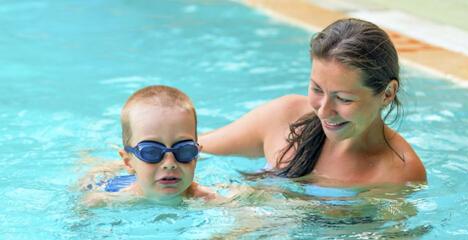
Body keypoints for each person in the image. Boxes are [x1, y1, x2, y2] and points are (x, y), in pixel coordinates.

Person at [200, 18, 426, 186]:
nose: (324, 111)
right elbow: (192, 149)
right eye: (317, 89)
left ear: (387, 93)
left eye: (343, 98)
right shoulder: (285, 116)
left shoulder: (399, 173)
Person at [82, 85, 216, 207]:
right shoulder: (110, 198)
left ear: (197, 155)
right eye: (151, 152)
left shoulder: (207, 198)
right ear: (128, 162)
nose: (170, 163)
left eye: (184, 150)